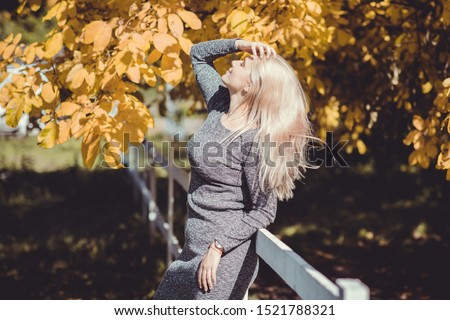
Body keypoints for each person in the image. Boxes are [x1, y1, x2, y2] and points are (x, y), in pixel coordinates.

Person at [153, 38, 319, 300]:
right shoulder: (219, 104)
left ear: (251, 85)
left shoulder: (253, 140)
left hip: (220, 258)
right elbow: (198, 54)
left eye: (242, 64)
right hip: (192, 248)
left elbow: (264, 210)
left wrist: (218, 248)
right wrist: (241, 44)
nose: (233, 62)